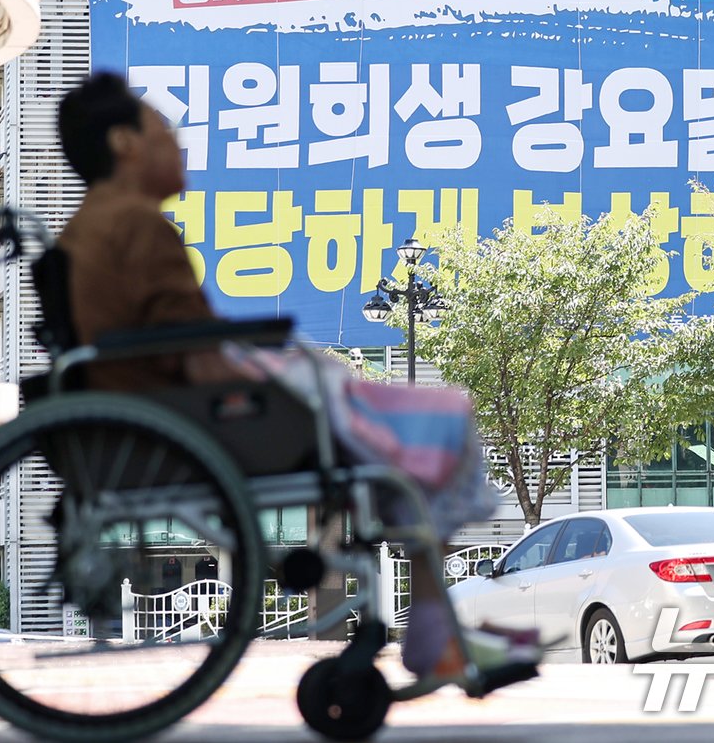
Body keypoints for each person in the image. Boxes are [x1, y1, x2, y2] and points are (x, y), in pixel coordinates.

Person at [54, 71, 538, 682]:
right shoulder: (135, 225)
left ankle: (433, 627)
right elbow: (195, 355)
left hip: (161, 414)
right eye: (165, 132)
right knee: (442, 420)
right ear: (124, 143)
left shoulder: (92, 227)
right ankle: (432, 629)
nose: (179, 146)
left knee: (406, 439)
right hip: (209, 415)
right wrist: (277, 373)